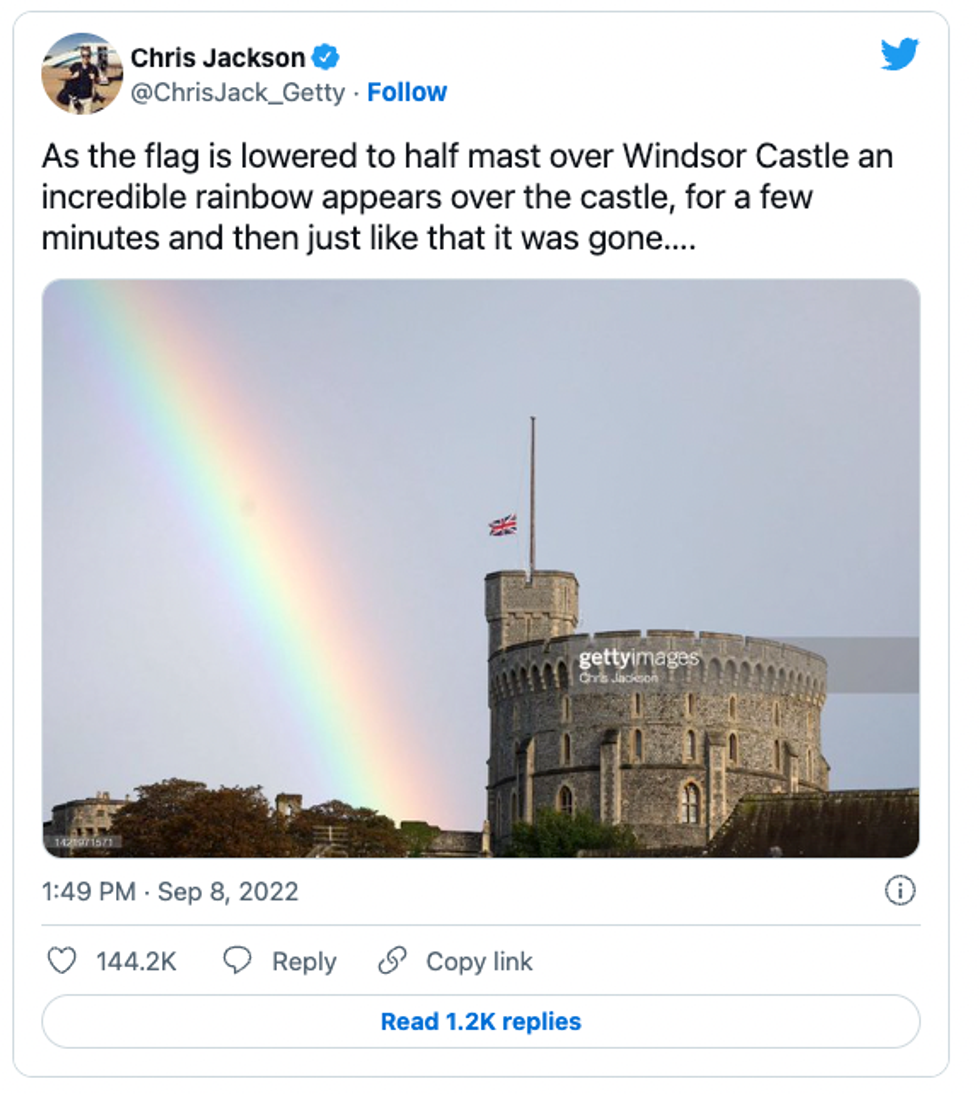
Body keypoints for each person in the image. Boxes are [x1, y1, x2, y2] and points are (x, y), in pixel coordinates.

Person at [58, 45, 107, 114]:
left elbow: (98, 81)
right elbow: (62, 77)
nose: (86, 57)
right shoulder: (75, 66)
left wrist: (95, 78)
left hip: (88, 99)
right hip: (76, 98)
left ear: (90, 56)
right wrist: (73, 77)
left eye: (88, 55)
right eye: (84, 55)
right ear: (81, 56)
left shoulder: (93, 68)